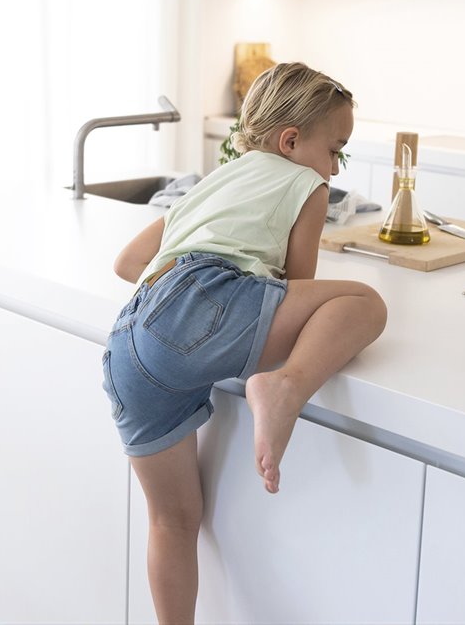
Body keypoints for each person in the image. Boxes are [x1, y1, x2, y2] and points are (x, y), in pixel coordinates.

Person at [102, 61, 387, 624]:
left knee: (172, 520)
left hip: (129, 342)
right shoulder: (308, 184)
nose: (334, 166)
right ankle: (284, 386)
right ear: (292, 141)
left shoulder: (214, 180)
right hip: (202, 305)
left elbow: (129, 263)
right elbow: (298, 285)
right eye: (337, 150)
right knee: (363, 302)